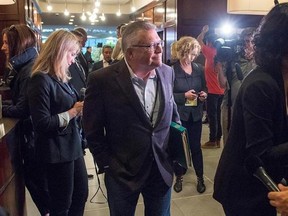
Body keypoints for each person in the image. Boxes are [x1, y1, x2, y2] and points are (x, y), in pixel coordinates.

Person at [83, 21, 180, 216]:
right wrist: (108, 164)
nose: (161, 49)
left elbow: (173, 115)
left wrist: (176, 157)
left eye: (159, 43)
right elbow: (92, 130)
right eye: (152, 45)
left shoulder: (167, 72)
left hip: (160, 168)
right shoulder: (102, 79)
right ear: (130, 53)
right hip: (122, 173)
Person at [213, 3, 288, 215]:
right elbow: (261, 153)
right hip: (245, 188)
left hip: (271, 180)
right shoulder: (261, 84)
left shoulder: (283, 76)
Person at [28, 29, 89, 216]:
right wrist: (72, 112)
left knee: (80, 195)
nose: (72, 60)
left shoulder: (61, 78)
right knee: (61, 203)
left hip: (72, 146)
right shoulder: (40, 79)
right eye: (71, 54)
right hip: (56, 151)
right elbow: (42, 123)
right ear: (60, 51)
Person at [1, 24, 50, 216]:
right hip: (32, 138)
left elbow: (23, 108)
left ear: (18, 44)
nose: (3, 47)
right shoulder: (24, 66)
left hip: (33, 139)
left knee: (38, 185)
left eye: (6, 43)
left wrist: (0, 108)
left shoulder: (28, 70)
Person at [172, 36, 207, 194]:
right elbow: (167, 95)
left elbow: (205, 88)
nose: (191, 58)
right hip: (180, 115)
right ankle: (179, 176)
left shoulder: (199, 68)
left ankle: (200, 177)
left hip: (196, 114)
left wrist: (203, 95)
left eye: (194, 55)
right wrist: (183, 96)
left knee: (196, 147)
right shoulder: (172, 70)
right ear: (182, 52)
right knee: (179, 148)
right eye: (189, 54)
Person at [216, 27, 256, 145]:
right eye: (245, 41)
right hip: (230, 106)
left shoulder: (261, 60)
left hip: (252, 107)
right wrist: (219, 66)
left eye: (251, 41)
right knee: (230, 143)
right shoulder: (233, 58)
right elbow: (222, 84)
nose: (247, 45)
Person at [197, 25, 224, 148]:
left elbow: (198, 40)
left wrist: (203, 31)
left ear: (210, 42)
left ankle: (212, 140)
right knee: (218, 116)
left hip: (212, 91)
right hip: (222, 91)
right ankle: (218, 140)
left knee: (212, 117)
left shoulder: (209, 52)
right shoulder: (220, 54)